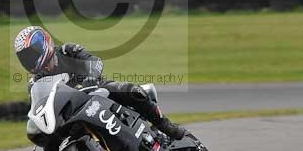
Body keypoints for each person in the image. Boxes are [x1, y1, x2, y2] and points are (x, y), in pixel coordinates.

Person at [14, 25, 186, 140]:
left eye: (30, 54)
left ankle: (164, 125)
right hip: (75, 111)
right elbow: (40, 107)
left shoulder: (67, 51)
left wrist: (91, 78)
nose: (29, 60)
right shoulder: (35, 83)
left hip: (97, 89)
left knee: (132, 91)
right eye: (25, 58)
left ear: (42, 45)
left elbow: (95, 60)